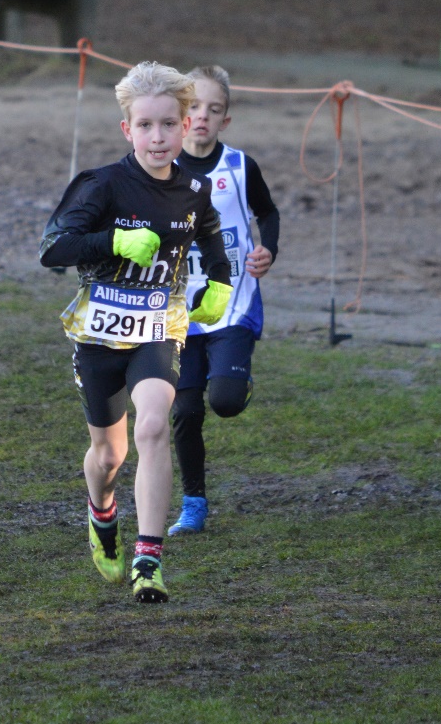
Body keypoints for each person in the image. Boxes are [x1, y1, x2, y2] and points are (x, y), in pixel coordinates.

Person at [40, 61, 233, 603]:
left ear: (186, 124)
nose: (158, 137)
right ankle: (101, 511)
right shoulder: (101, 185)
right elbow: (51, 249)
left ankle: (148, 562)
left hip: (158, 324)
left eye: (168, 124)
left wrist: (218, 286)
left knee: (152, 427)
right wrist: (113, 244)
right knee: (109, 456)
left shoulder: (194, 191)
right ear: (128, 129)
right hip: (99, 330)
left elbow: (215, 247)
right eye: (145, 126)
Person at [168, 66, 280, 536]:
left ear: (225, 121)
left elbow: (267, 211)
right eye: (193, 107)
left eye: (213, 110)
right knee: (185, 412)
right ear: (179, 113)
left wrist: (268, 250)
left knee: (226, 403)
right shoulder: (159, 167)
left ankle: (236, 379)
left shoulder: (239, 167)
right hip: (177, 310)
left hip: (233, 303)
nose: (201, 117)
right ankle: (193, 503)